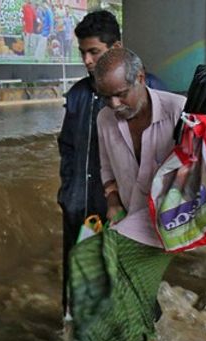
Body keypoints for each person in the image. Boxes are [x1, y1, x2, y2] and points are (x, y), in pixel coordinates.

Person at [44, 47, 185, 341]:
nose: (115, 103)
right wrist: (110, 197)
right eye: (107, 95)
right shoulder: (106, 118)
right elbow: (105, 164)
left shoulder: (178, 111)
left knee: (95, 262)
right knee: (132, 296)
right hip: (134, 217)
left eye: (122, 93)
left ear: (141, 78)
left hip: (174, 219)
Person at [56, 10, 166, 317]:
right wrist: (68, 192)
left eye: (95, 52)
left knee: (133, 288)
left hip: (127, 211)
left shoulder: (149, 89)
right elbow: (67, 146)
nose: (88, 61)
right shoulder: (78, 94)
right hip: (81, 209)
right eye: (83, 53)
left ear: (116, 48)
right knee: (81, 287)